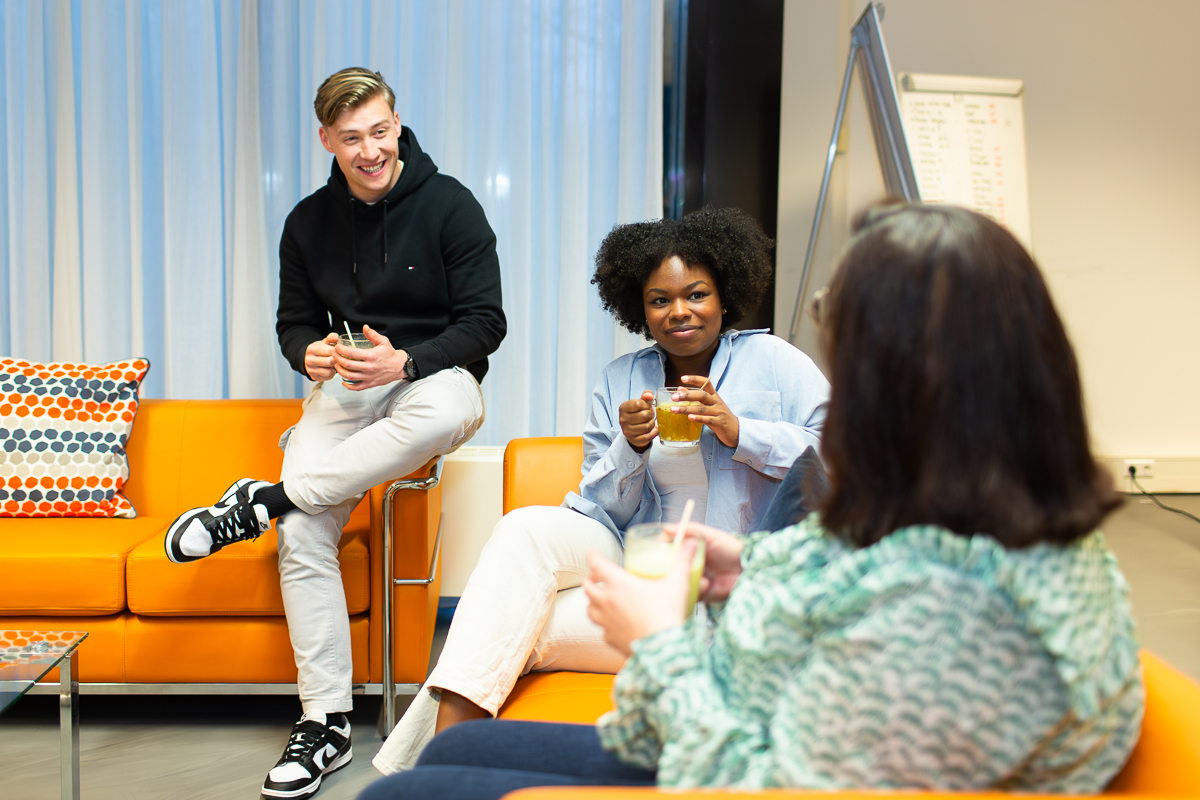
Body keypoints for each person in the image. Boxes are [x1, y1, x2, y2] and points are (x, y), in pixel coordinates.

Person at [359, 203, 1144, 800]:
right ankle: (439, 735)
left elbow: (774, 781)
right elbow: (616, 512)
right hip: (705, 663)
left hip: (728, 748)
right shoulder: (951, 512)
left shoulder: (957, 606)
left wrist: (663, 643)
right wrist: (749, 559)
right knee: (468, 725)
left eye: (853, 359)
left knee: (410, 791)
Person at [371, 206, 831, 774]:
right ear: (639, 308)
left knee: (507, 624)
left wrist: (741, 431)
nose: (679, 312)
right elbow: (598, 507)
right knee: (522, 530)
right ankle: (446, 774)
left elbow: (835, 459)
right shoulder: (621, 377)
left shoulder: (777, 362)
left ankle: (433, 773)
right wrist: (628, 448)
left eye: (697, 294)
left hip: (728, 598)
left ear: (725, 296)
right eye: (660, 300)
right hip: (637, 569)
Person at [162, 67, 505, 800]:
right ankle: (325, 724)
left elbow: (487, 323)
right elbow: (292, 322)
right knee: (302, 531)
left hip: (429, 379)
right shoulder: (307, 221)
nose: (370, 150)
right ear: (327, 140)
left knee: (447, 411)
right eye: (352, 138)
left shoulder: (451, 206)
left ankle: (261, 498)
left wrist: (407, 358)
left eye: (380, 131)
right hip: (345, 389)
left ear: (397, 122)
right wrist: (306, 353)